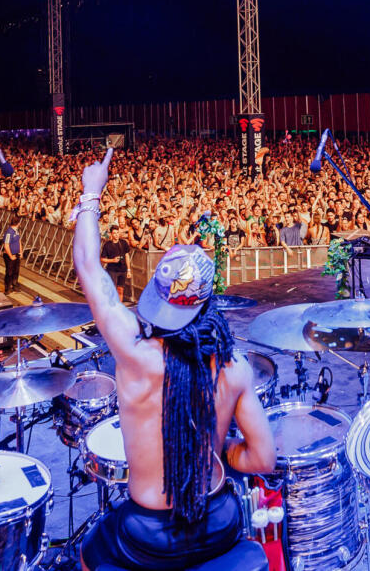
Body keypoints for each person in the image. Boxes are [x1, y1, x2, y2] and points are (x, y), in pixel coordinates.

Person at [71, 149, 275, 571]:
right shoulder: (233, 369)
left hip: (149, 534)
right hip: (217, 520)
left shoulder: (133, 352)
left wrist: (92, 192)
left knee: (88, 553)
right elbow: (263, 460)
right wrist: (215, 451)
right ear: (207, 307)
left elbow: (90, 268)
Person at [1, 217, 22, 295]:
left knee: (16, 271)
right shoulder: (9, 233)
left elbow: (19, 241)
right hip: (10, 255)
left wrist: (20, 252)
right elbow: (6, 245)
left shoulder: (16, 231)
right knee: (9, 272)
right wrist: (10, 256)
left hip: (16, 254)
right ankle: (7, 288)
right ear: (18, 223)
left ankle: (14, 285)